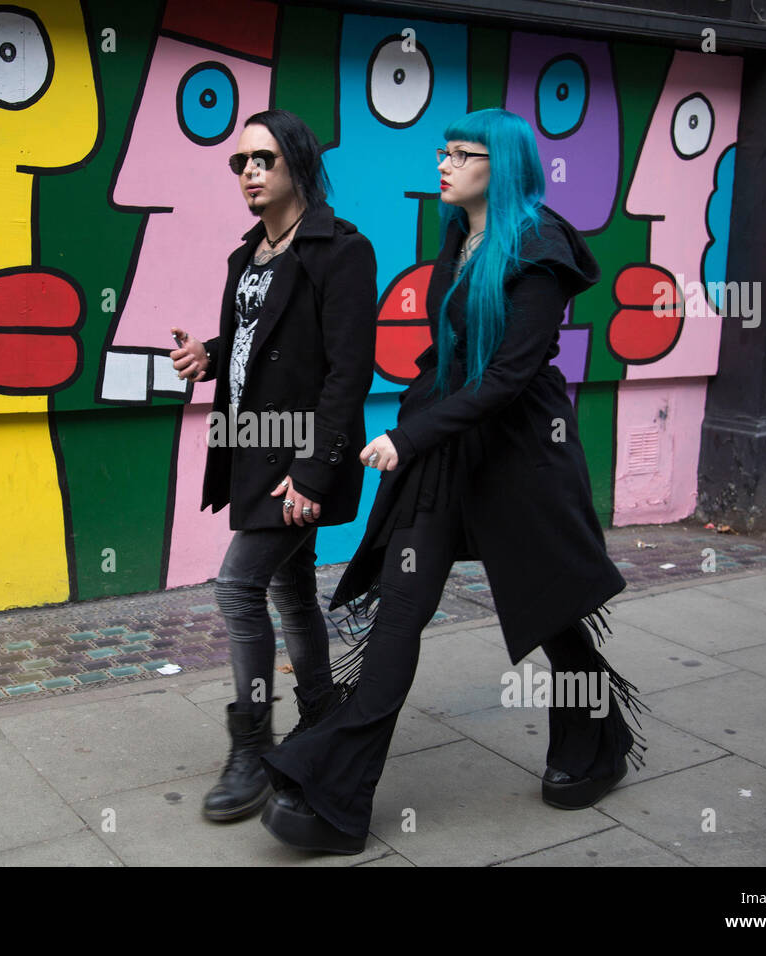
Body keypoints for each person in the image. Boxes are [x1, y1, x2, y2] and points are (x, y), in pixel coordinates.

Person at [257, 108, 648, 855]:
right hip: (446, 454)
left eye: (461, 153)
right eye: (443, 150)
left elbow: (508, 375)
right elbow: (451, 352)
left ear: (499, 166)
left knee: (553, 617)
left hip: (518, 457)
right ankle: (337, 794)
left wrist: (407, 437)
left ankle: (598, 740)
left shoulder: (538, 247)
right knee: (400, 614)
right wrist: (420, 426)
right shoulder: (458, 239)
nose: (443, 163)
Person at [170, 109, 377, 822]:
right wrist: (208, 354)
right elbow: (254, 343)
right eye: (240, 163)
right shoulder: (246, 256)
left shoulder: (341, 251)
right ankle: (319, 717)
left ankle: (254, 745)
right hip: (253, 451)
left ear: (297, 165)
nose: (249, 173)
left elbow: (349, 371)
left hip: (300, 458)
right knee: (289, 589)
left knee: (237, 588)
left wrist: (316, 472)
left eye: (263, 160)